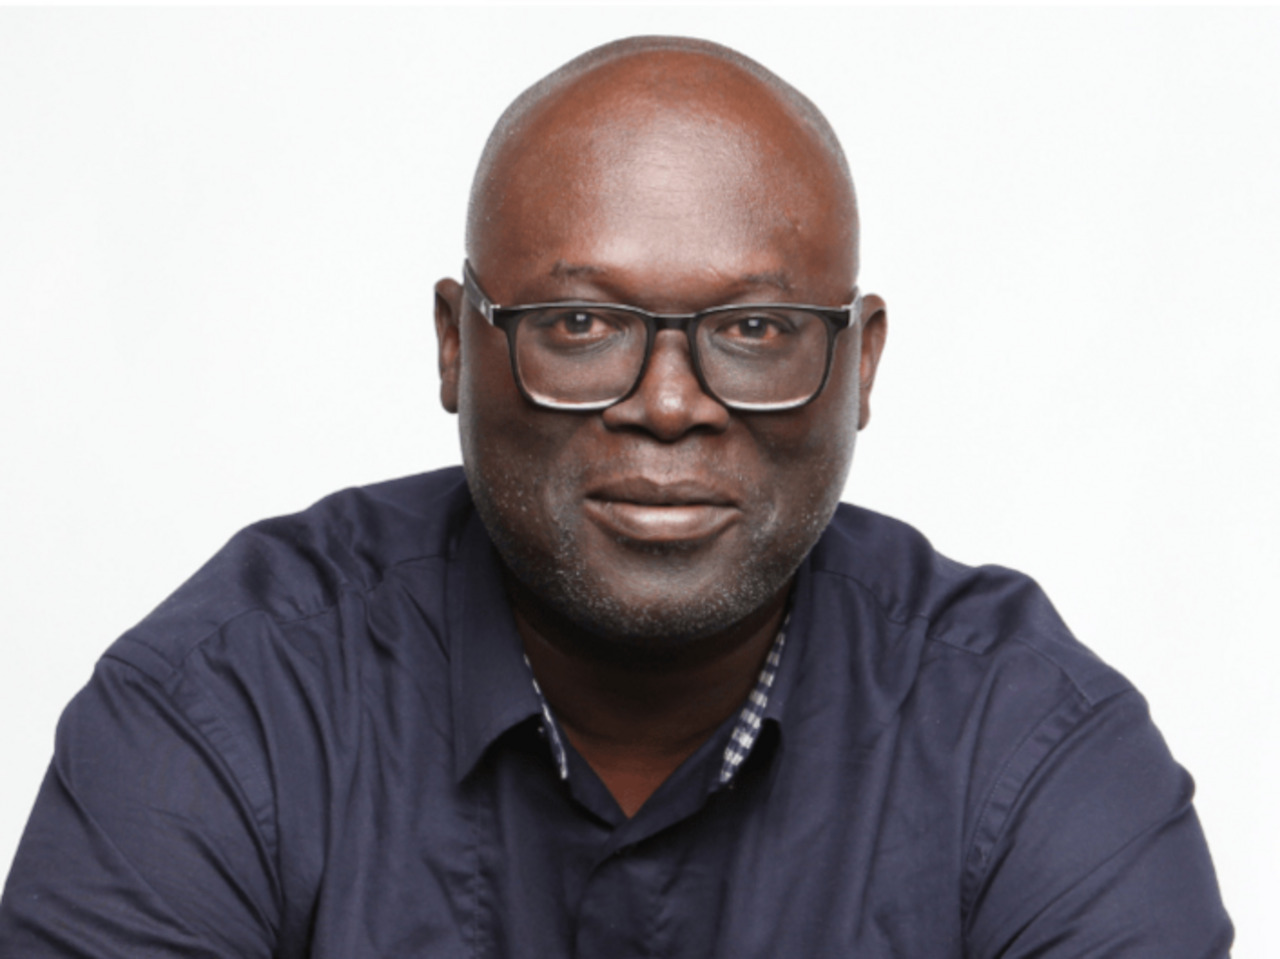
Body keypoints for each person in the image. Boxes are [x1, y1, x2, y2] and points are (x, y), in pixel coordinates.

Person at [0, 35, 1232, 958]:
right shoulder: (228, 709)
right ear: (455, 343)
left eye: (755, 328)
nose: (668, 402)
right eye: (580, 323)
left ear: (858, 365)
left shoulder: (1027, 751)